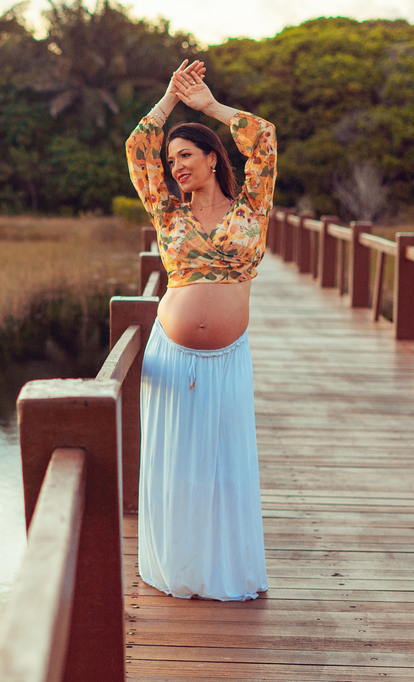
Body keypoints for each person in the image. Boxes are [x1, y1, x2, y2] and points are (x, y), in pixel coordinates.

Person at [125, 59, 276, 601]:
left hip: (228, 355)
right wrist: (169, 102)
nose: (175, 166)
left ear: (213, 158)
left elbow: (263, 139)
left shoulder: (252, 208)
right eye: (172, 160)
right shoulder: (168, 215)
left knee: (226, 468)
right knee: (177, 469)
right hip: (172, 358)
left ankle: (225, 572)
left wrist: (209, 107)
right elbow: (137, 148)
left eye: (186, 155)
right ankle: (177, 569)